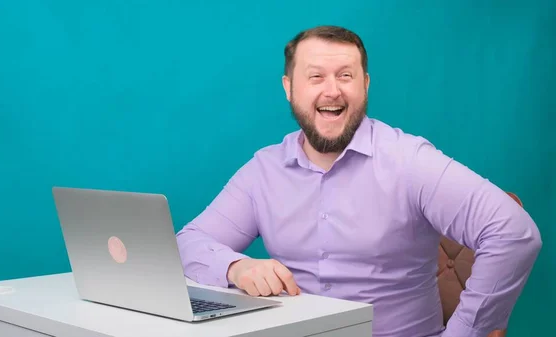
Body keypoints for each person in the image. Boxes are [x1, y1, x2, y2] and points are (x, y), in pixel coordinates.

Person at [175, 25, 542, 337]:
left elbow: (514, 234)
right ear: (289, 88)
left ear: (364, 84)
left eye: (345, 76)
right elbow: (187, 243)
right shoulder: (263, 170)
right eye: (315, 76)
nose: (332, 90)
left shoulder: (410, 161)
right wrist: (235, 267)